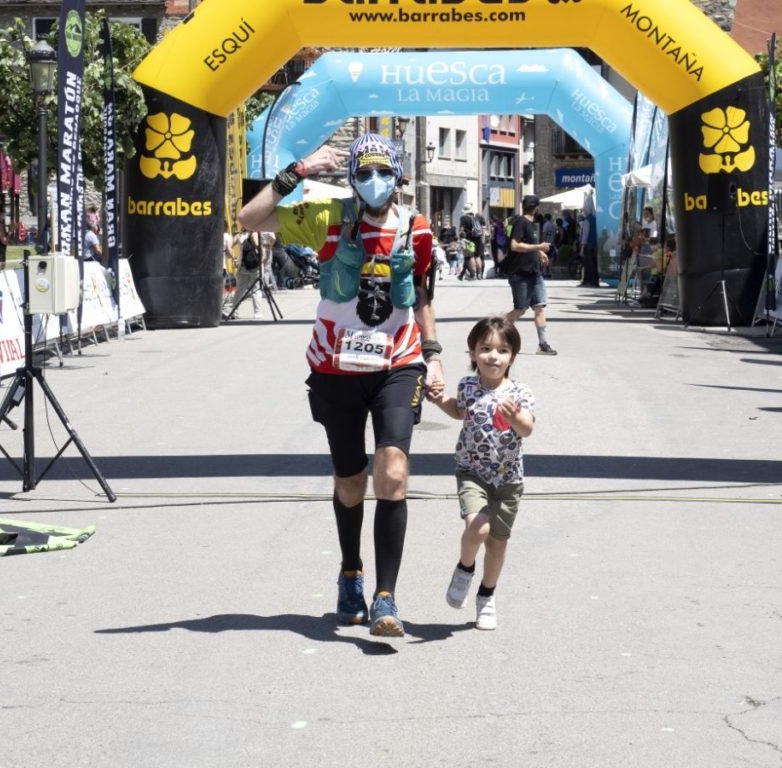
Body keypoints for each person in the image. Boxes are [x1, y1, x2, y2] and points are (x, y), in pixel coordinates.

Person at [238, 134, 443, 637]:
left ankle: (386, 598)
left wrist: (434, 355)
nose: (375, 182)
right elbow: (249, 219)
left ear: (399, 176)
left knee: (392, 472)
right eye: (364, 173)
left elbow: (421, 296)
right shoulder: (327, 218)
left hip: (398, 364)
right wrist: (299, 170)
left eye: (384, 172)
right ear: (351, 178)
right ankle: (351, 572)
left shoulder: (417, 229)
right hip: (335, 368)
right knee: (350, 481)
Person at [427, 315, 535, 631]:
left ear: (512, 356)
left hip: (508, 479)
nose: (493, 356)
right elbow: (459, 411)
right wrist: (440, 401)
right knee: (478, 528)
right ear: (473, 353)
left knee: (498, 543)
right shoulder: (467, 386)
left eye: (502, 350)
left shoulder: (520, 393)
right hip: (471, 471)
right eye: (485, 348)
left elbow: (527, 429)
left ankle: (486, 595)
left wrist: (516, 419)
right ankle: (465, 568)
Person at [505, 194, 557, 355]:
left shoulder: (532, 224)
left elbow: (530, 244)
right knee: (520, 309)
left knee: (539, 307)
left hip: (535, 273)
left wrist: (540, 252)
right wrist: (539, 247)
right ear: (536, 208)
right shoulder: (521, 222)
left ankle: (543, 344)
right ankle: (494, 329)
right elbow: (514, 245)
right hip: (520, 273)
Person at [223, 230, 266, 319]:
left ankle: (234, 312)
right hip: (254, 266)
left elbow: (229, 247)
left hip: (242, 266)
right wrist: (263, 256)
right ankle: (257, 313)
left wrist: (234, 259)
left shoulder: (238, 235)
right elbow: (258, 246)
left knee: (240, 290)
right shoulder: (254, 234)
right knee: (256, 289)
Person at [459, 202, 483, 280]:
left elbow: (461, 229)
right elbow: (482, 228)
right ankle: (479, 274)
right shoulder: (477, 217)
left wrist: (460, 236)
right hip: (478, 239)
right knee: (477, 256)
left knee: (470, 256)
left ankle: (474, 274)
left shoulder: (463, 218)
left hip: (469, 240)